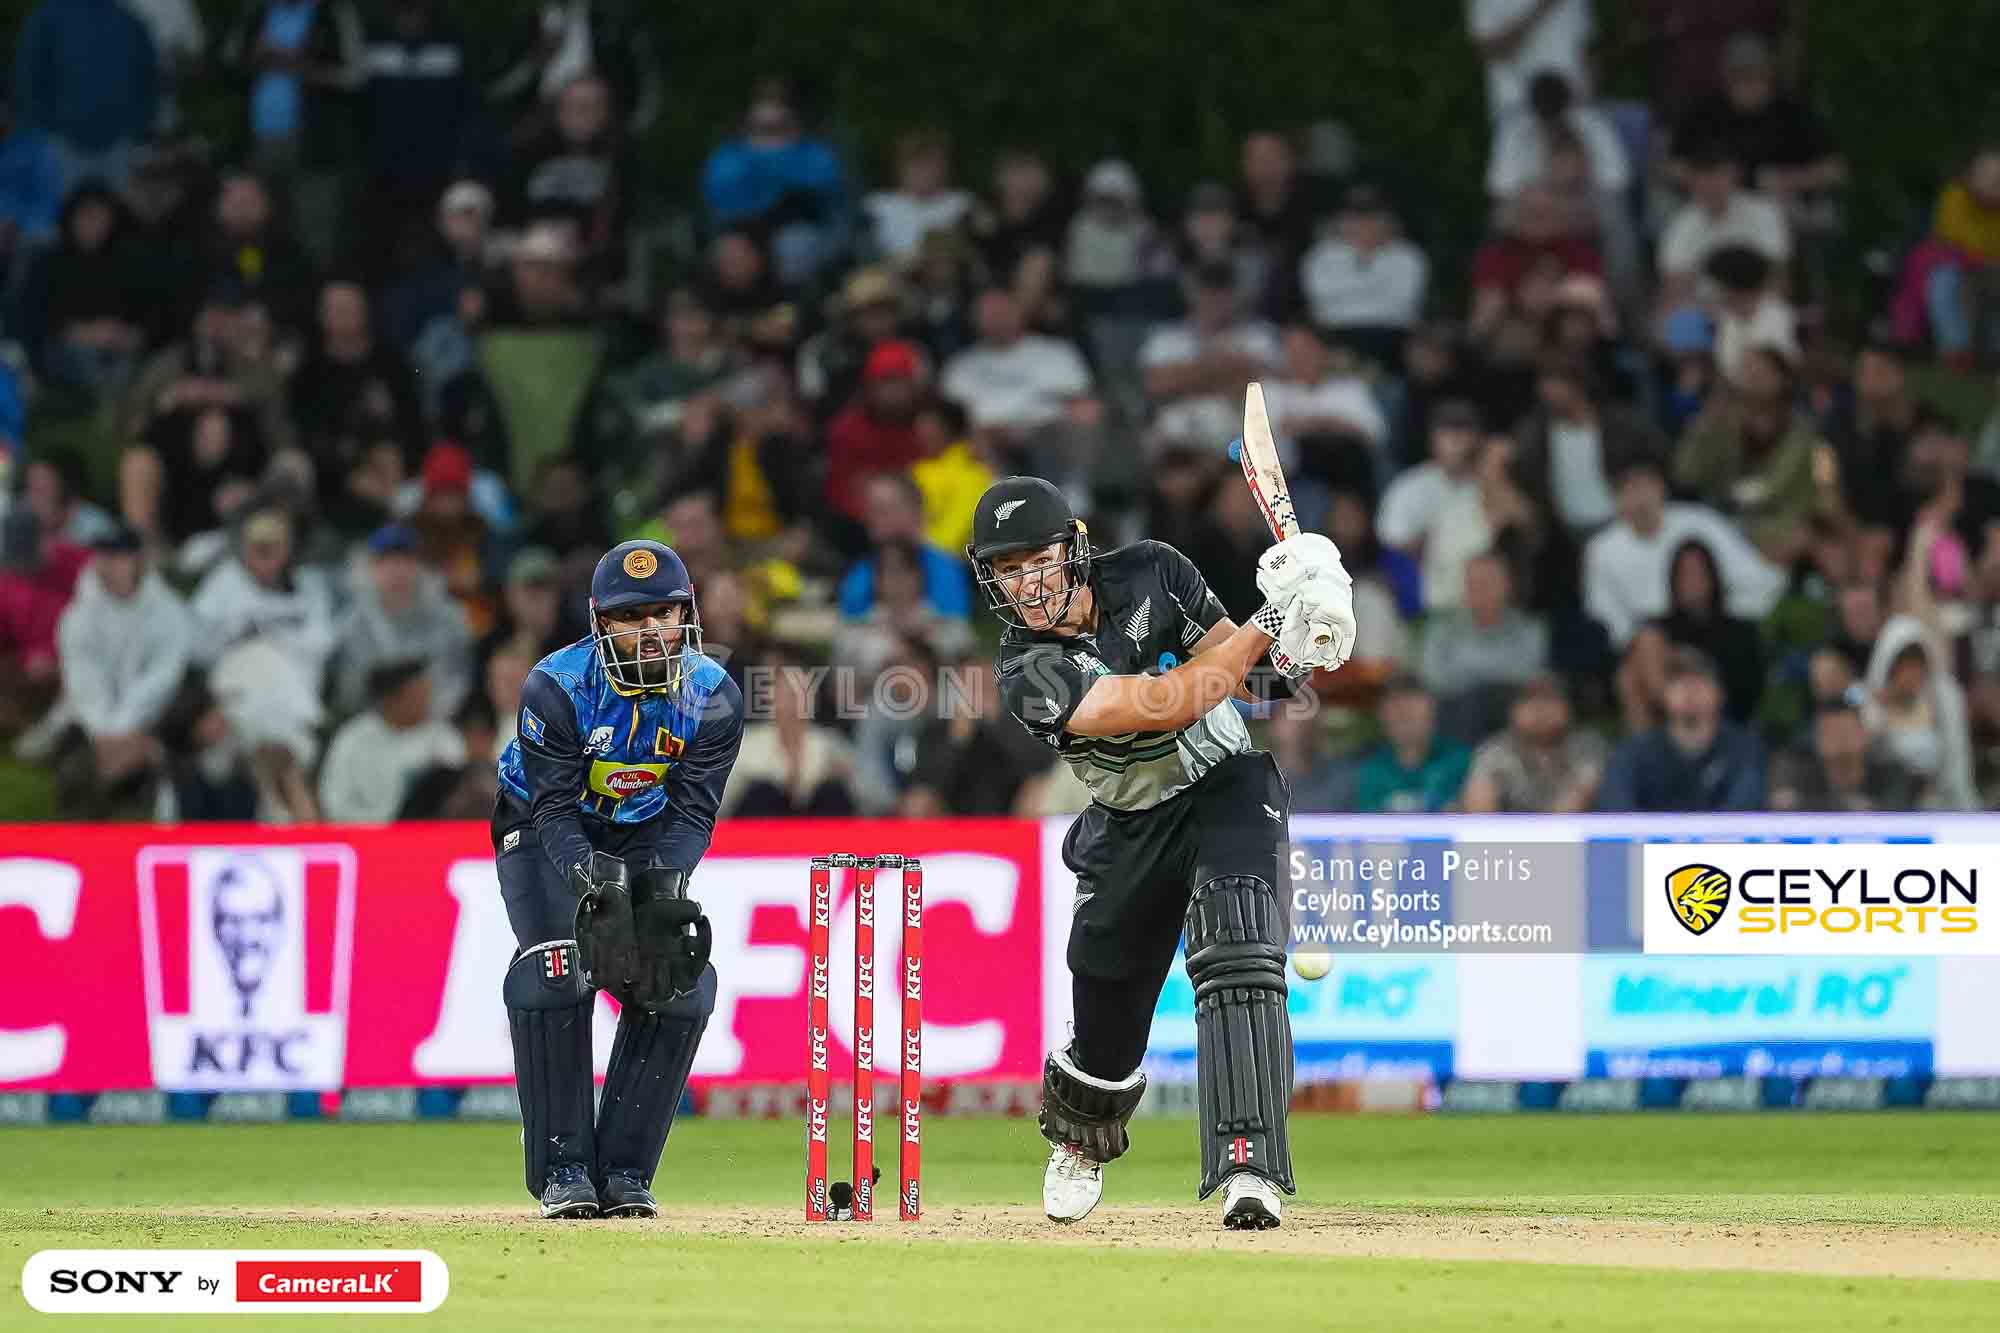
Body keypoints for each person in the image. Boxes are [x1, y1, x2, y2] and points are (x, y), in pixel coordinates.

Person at [970, 474, 1355, 1230]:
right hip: (1128, 823)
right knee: (1105, 1006)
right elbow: (1165, 702)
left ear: (1074, 549)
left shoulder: (1153, 569)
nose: (1027, 584)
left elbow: (1258, 685)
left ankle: (1250, 1165)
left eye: (1038, 560)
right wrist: (1268, 616)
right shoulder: (1026, 670)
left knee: (1238, 948)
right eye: (1008, 571)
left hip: (1225, 787)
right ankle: (1081, 1141)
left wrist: (1305, 630)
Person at [492, 539, 744, 1220]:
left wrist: (663, 887)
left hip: (643, 830)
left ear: (686, 615)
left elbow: (693, 812)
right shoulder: (556, 686)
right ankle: (564, 1169)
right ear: (600, 621)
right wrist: (591, 880)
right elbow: (551, 807)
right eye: (632, 616)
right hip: (543, 827)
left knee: (678, 976)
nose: (651, 629)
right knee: (558, 965)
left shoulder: (714, 696)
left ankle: (625, 1173)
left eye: (664, 612)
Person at [44, 523, 189, 814]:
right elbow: (82, 679)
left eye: (117, 556)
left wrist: (126, 726)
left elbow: (163, 675)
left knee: (161, 755)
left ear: (137, 560)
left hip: (150, 716)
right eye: (103, 555)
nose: (108, 565)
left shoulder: (168, 611)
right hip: (92, 722)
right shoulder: (78, 616)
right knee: (80, 772)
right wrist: (106, 731)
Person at [1581, 454, 1784, 648]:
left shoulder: (1701, 522)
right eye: (1628, 490)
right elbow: (1605, 615)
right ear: (1615, 498)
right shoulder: (1601, 550)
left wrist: (1727, 619)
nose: (1639, 499)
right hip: (1651, 646)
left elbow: (1757, 578)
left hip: (1714, 631)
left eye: (1644, 486)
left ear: (1661, 487)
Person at [1598, 647, 1764, 810]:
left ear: (1720, 693)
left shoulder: (1744, 750)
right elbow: (1617, 811)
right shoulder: (1633, 754)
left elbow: (1743, 812)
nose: (1689, 690)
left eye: (1700, 681)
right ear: (1664, 695)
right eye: (1678, 681)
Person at [317, 659, 466, 821]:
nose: (426, 701)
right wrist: (384, 823)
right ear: (392, 698)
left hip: (430, 831)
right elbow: (333, 803)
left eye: (427, 693)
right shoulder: (353, 738)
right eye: (418, 695)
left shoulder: (443, 736)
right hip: (366, 831)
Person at [1460, 672, 1605, 813]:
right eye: (1529, 699)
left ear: (1569, 707)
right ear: (1512, 710)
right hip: (1504, 829)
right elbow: (1480, 815)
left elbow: (1568, 813)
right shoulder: (1494, 750)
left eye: (1549, 698)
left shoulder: (1588, 747)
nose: (1540, 708)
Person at [1353, 674, 1471, 812]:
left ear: (1432, 709)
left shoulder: (1462, 762)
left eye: (1411, 707)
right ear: (1381, 716)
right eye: (1394, 706)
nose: (1403, 712)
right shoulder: (1369, 771)